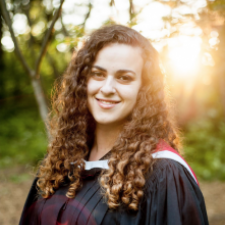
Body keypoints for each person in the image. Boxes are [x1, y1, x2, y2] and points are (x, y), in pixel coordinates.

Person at [19, 24, 209, 225]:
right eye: (98, 74)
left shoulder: (162, 173)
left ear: (143, 90)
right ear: (82, 80)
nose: (107, 88)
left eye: (124, 78)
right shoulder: (61, 163)